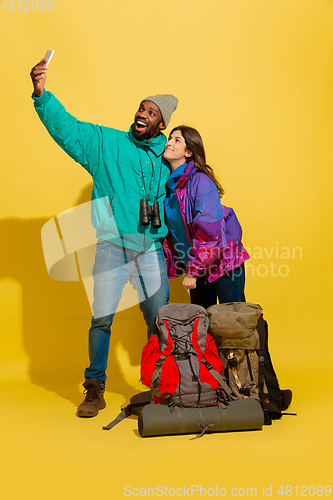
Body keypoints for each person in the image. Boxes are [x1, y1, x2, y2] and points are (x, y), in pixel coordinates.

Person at [30, 58, 178, 417]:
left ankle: (161, 385)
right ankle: (94, 388)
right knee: (102, 318)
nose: (143, 114)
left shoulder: (168, 157)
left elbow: (191, 189)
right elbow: (69, 130)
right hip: (112, 245)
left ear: (161, 123)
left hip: (151, 249)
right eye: (141, 108)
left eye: (152, 112)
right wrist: (41, 94)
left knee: (159, 320)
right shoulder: (106, 143)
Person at [163, 125, 250, 309]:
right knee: (202, 325)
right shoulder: (170, 186)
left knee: (233, 323)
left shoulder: (200, 181)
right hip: (198, 262)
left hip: (223, 261)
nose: (169, 142)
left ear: (188, 152)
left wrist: (193, 272)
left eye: (176, 140)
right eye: (169, 138)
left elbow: (209, 232)